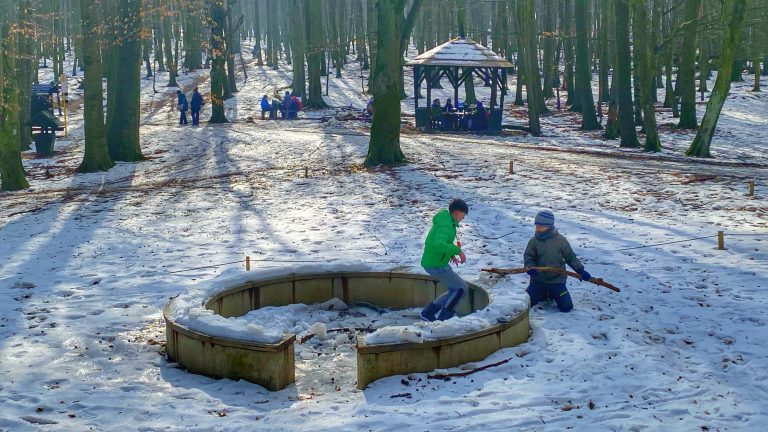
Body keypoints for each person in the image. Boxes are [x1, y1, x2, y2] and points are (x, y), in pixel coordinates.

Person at [524, 210, 592, 313]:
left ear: (549, 226)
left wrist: (580, 270)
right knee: (527, 304)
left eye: (541, 225)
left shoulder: (560, 241)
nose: (537, 227)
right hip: (537, 281)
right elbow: (529, 256)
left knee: (566, 307)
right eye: (536, 225)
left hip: (556, 281)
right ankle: (543, 293)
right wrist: (530, 267)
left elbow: (570, 257)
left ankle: (552, 293)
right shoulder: (534, 241)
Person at [420, 199, 470, 322]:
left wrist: (450, 255)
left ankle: (429, 312)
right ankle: (444, 318)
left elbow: (442, 243)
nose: (463, 218)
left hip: (435, 261)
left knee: (455, 289)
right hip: (435, 264)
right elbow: (438, 244)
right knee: (461, 289)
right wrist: (458, 251)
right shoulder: (446, 225)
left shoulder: (446, 222)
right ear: (457, 212)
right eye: (463, 215)